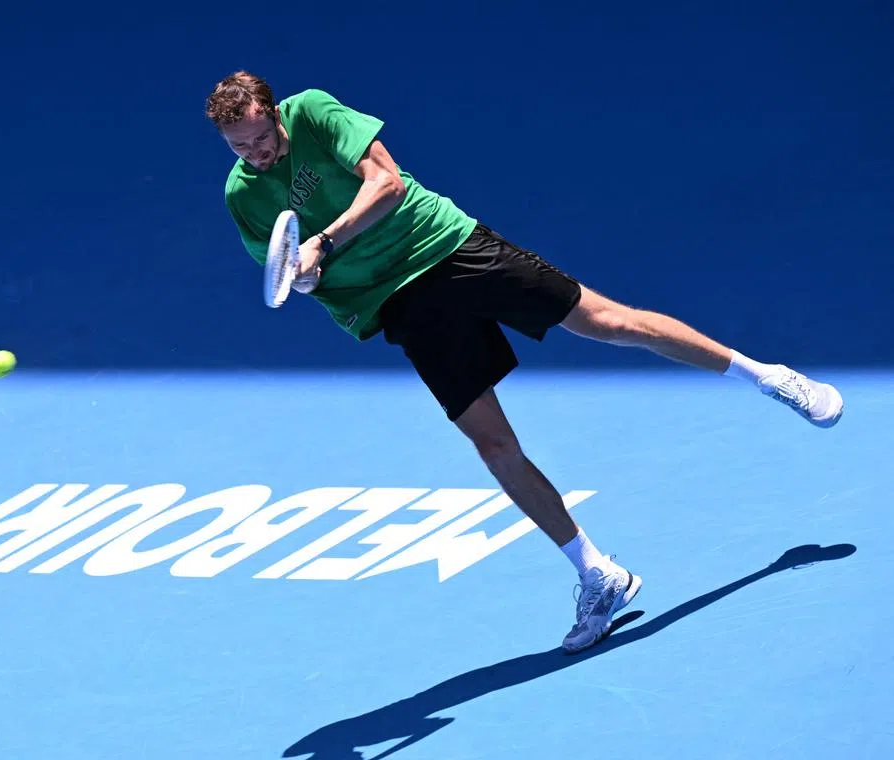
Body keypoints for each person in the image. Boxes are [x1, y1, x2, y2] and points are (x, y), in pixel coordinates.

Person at [204, 71, 844, 653]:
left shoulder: (314, 111)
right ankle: (598, 574)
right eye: (240, 147)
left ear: (276, 115)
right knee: (493, 445)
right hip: (397, 302)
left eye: (261, 138)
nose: (256, 153)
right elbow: (293, 272)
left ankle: (767, 377)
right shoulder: (242, 197)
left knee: (608, 322)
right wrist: (310, 276)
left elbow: (387, 184)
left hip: (447, 246)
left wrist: (323, 241)